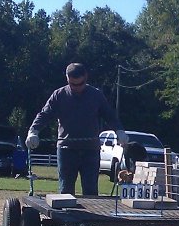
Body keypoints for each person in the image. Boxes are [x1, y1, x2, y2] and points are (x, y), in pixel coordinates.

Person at [26, 63, 126, 196]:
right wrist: (33, 131)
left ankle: (91, 217)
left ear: (86, 77)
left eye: (80, 84)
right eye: (73, 84)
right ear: (67, 79)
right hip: (66, 150)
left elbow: (110, 115)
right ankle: (64, 217)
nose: (77, 88)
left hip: (91, 150)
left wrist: (119, 131)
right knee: (65, 190)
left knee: (91, 191)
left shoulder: (96, 95)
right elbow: (44, 115)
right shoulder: (59, 95)